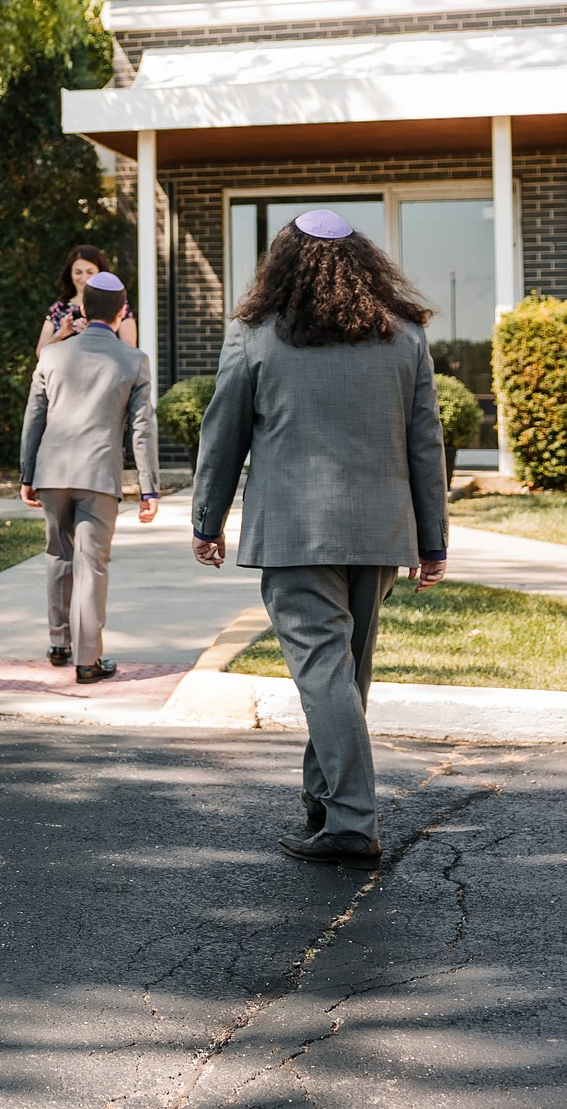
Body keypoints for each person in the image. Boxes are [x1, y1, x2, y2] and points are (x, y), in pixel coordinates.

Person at [191, 208, 450, 869]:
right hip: (379, 534)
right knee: (345, 674)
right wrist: (433, 539)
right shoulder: (405, 338)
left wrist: (206, 518)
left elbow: (223, 436)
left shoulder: (255, 334)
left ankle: (353, 821)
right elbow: (427, 445)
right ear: (364, 265)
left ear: (282, 265)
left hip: (295, 531)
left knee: (326, 676)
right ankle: (324, 798)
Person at [19, 271, 160, 683]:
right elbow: (142, 427)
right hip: (99, 474)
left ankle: (58, 643)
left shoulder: (52, 355)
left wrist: (27, 473)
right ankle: (88, 660)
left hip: (51, 472)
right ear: (121, 312)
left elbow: (35, 418)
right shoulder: (134, 359)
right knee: (92, 565)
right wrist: (148, 486)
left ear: (81, 309)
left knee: (58, 557)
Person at [38, 244, 140, 352]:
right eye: (78, 272)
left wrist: (94, 333)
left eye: (90, 272)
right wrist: (61, 334)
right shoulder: (58, 309)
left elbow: (130, 349)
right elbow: (41, 353)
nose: (84, 278)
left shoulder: (116, 305)